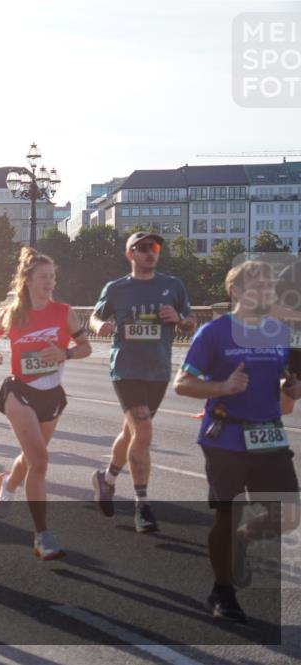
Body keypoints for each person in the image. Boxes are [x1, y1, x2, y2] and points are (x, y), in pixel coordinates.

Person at [174, 260, 301, 622]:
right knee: (226, 515)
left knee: (288, 515)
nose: (265, 293)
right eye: (257, 286)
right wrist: (221, 388)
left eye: (269, 287)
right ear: (236, 290)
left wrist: (293, 387)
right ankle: (222, 591)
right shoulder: (215, 333)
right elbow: (182, 384)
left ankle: (245, 539)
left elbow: (290, 384)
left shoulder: (280, 332)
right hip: (225, 435)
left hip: (268, 435)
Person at [0, 247, 92, 559]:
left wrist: (66, 353)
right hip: (21, 392)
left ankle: (8, 482)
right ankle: (42, 535)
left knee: (32, 458)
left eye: (53, 277)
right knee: (41, 461)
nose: (49, 282)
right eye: (43, 277)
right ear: (27, 280)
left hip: (52, 394)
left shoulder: (64, 312)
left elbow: (85, 347)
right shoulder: (14, 312)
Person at [89, 231, 196, 533]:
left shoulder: (172, 286)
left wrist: (178, 317)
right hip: (126, 369)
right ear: (131, 254)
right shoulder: (117, 288)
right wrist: (101, 326)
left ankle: (106, 479)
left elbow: (191, 322)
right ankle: (142, 505)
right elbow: (94, 317)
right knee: (144, 428)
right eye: (144, 248)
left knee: (132, 432)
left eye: (155, 247)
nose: (151, 252)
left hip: (158, 369)